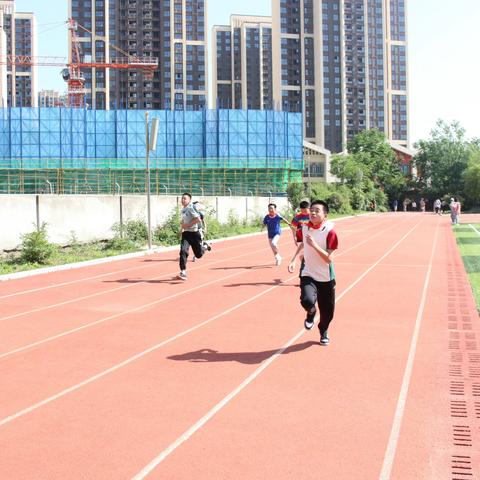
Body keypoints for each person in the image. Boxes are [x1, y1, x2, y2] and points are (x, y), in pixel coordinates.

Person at [288, 200, 339, 346]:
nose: (313, 213)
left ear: (325, 215)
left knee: (327, 313)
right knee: (307, 300)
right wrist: (293, 260)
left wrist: (314, 245)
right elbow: (303, 242)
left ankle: (323, 331)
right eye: (312, 210)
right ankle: (311, 313)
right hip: (308, 273)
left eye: (317, 210)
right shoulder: (304, 228)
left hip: (326, 277)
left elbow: (329, 259)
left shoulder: (330, 232)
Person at [178, 192, 204, 280]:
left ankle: (204, 247)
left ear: (189, 200)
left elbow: (198, 219)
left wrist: (188, 225)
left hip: (194, 234)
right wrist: (181, 229)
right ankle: (183, 271)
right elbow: (183, 222)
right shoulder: (183, 209)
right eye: (182, 198)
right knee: (183, 251)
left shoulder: (191, 208)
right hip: (186, 234)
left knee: (199, 255)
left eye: (185, 198)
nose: (183, 200)